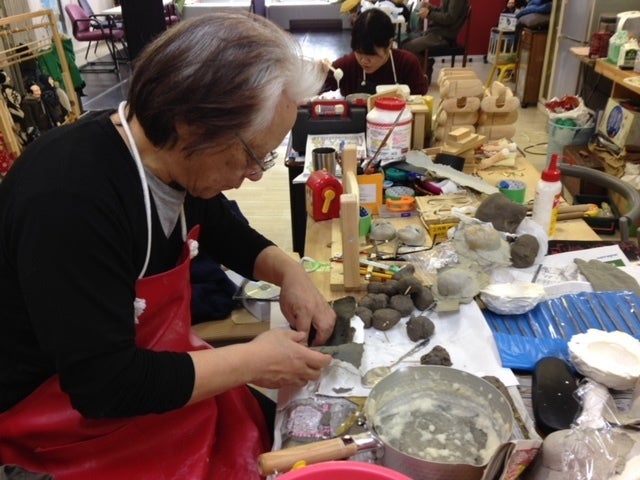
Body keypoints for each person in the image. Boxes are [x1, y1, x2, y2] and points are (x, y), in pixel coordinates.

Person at [0, 12, 335, 480]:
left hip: (154, 381)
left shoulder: (175, 164)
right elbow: (103, 386)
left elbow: (220, 226)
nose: (255, 175)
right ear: (191, 125)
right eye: (252, 155)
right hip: (65, 424)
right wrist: (250, 361)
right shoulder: (67, 199)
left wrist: (288, 271)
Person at [322, 8, 428, 97]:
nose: (364, 61)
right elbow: (317, 87)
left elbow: (420, 101)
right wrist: (317, 73)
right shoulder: (346, 65)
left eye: (371, 54)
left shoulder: (406, 63)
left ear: (389, 44)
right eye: (358, 52)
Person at [401, 0, 470, 83]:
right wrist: (430, 7)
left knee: (407, 47)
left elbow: (449, 18)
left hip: (443, 36)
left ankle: (425, 69)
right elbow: (443, 11)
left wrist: (429, 13)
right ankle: (425, 67)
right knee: (405, 41)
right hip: (435, 31)